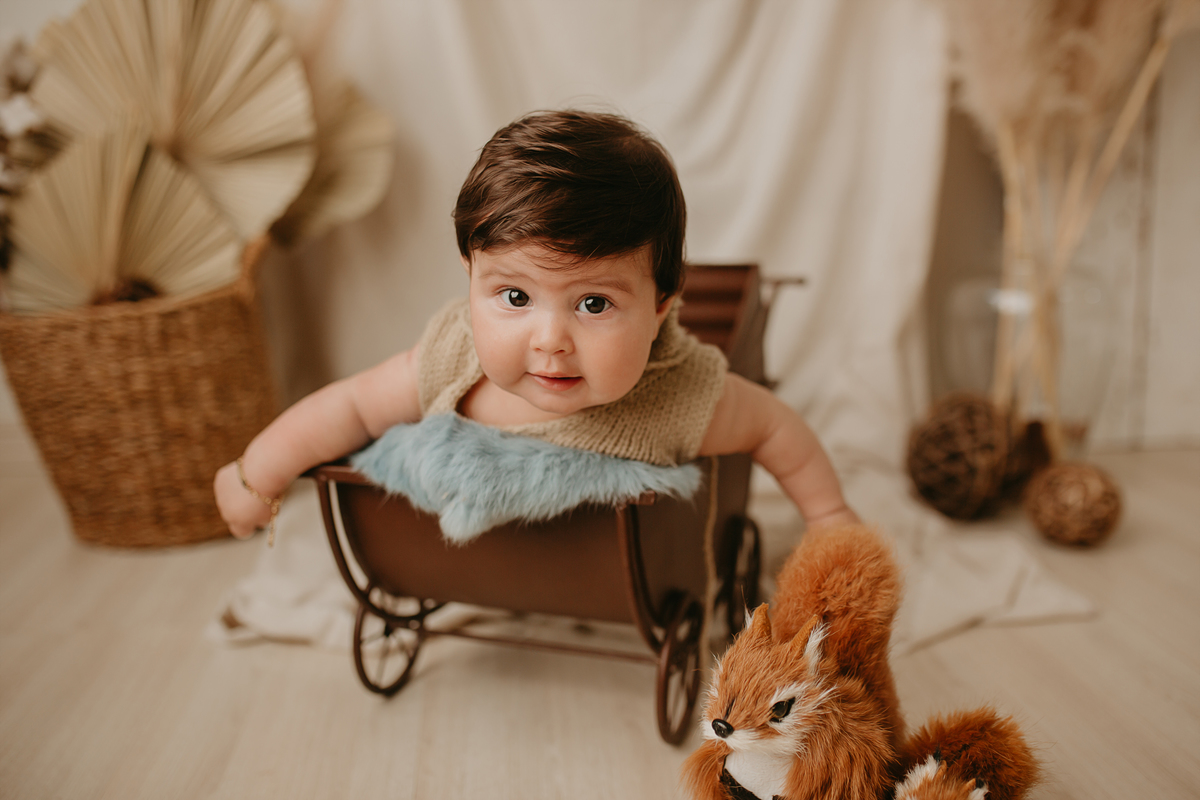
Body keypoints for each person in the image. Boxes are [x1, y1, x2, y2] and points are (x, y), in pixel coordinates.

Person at [214, 109, 859, 539]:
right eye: (515, 296)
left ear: (662, 303)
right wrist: (258, 474)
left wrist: (829, 516)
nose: (550, 340)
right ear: (471, 276)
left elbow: (776, 428)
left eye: (594, 305)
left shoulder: (676, 393)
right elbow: (353, 407)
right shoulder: (455, 354)